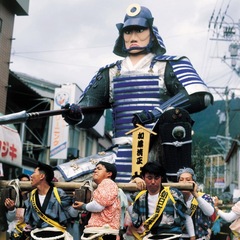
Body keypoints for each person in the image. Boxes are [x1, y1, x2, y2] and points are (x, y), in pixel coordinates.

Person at [62, 3, 213, 182]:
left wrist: (156, 112)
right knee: (60, 178)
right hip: (118, 153)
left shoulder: (170, 65)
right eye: (128, 31)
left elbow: (200, 96)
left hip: (158, 151)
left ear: (151, 32)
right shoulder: (109, 72)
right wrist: (76, 113)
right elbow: (90, 112)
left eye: (139, 30)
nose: (133, 37)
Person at [125, 161, 195, 240]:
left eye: (156, 178)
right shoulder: (140, 197)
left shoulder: (173, 193)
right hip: (150, 236)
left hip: (173, 236)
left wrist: (192, 237)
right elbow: (126, 195)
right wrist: (134, 181)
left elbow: (186, 216)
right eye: (149, 178)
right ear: (143, 178)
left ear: (161, 178)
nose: (153, 181)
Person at [23, 162, 79, 239]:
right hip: (37, 236)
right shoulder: (31, 195)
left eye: (34, 173)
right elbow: (29, 218)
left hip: (55, 235)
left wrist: (77, 202)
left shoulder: (58, 193)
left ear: (42, 176)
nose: (31, 176)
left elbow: (72, 214)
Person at [72, 161, 121, 240]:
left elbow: (98, 206)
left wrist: (83, 206)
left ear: (109, 173)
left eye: (99, 169)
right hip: (103, 231)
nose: (95, 170)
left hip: (102, 231)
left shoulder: (107, 182)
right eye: (95, 169)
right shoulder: (105, 185)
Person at [177, 167, 216, 240]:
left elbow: (210, 212)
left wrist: (195, 193)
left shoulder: (203, 197)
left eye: (188, 180)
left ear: (194, 182)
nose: (184, 182)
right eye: (181, 180)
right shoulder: (175, 199)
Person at [5, 174, 30, 239]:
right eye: (23, 182)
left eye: (27, 182)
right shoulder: (12, 196)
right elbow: (9, 219)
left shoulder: (32, 197)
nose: (25, 185)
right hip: (14, 232)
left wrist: (25, 198)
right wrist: (11, 209)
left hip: (27, 232)